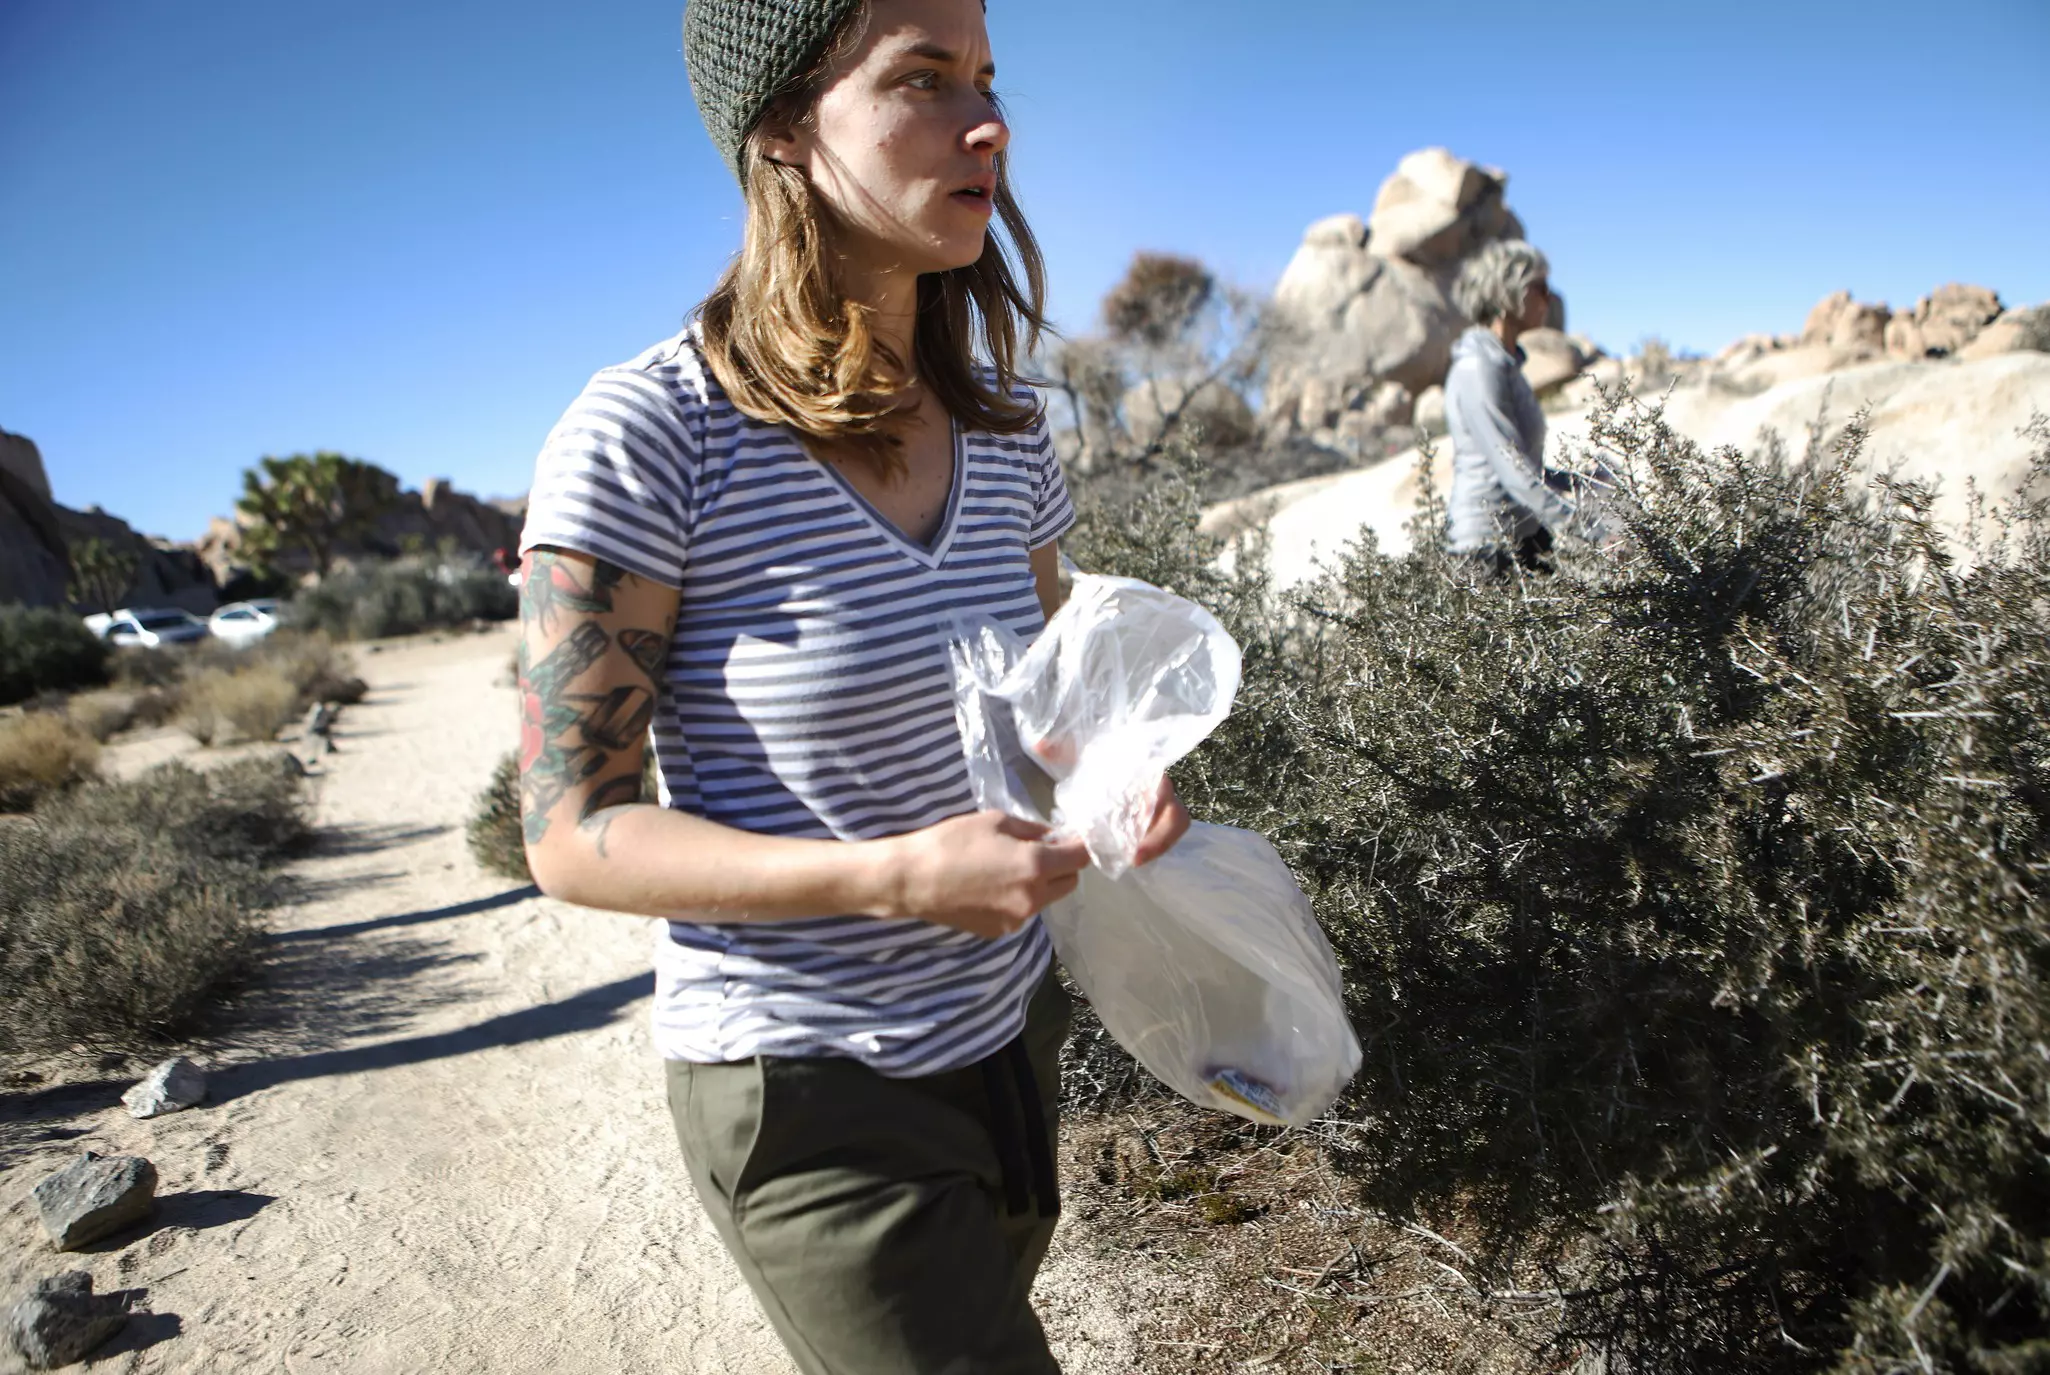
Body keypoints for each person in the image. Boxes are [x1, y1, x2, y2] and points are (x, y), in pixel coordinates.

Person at [513, 2, 1188, 1371]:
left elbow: (1048, 700)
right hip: (811, 1093)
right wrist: (890, 875)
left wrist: (1115, 773)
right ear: (779, 131)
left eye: (986, 77)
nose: (986, 120)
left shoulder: (1004, 428)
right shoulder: (649, 435)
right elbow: (570, 833)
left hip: (1009, 1032)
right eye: (921, 81)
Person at [1444, 239, 1580, 574]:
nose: (1549, 298)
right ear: (1507, 292)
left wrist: (1580, 482)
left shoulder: (1506, 364)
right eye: (1540, 287)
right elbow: (1511, 470)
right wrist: (1582, 527)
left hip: (1525, 534)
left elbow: (1525, 466)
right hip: (1488, 550)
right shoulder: (1479, 367)